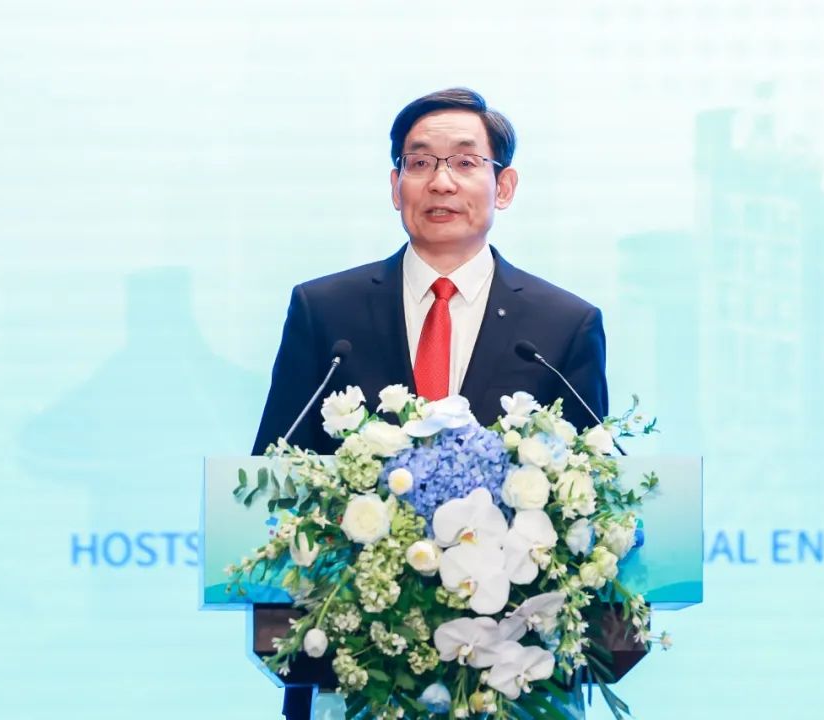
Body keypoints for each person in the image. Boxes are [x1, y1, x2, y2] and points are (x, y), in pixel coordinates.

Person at [252, 88, 608, 720]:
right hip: (351, 673)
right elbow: (276, 475)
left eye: (466, 162)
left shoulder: (563, 325)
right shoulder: (325, 311)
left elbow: (594, 495)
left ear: (504, 186)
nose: (441, 182)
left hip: (514, 680)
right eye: (419, 163)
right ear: (396, 187)